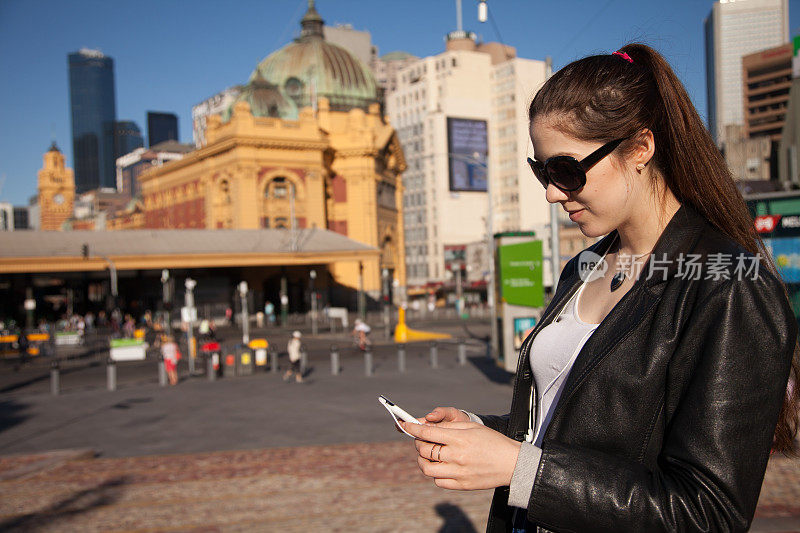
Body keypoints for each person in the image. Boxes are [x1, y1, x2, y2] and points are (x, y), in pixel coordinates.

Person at [397, 44, 800, 533]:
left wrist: (519, 469)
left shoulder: (730, 285)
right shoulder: (582, 267)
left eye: (566, 169)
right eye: (542, 171)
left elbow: (707, 513)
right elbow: (576, 425)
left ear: (641, 148)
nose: (551, 192)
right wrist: (481, 432)